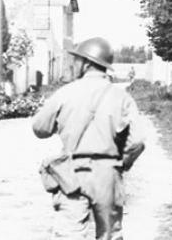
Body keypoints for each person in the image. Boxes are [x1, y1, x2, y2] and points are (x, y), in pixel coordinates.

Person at [31, 37, 146, 240]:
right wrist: (120, 164)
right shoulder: (122, 98)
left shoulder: (65, 93)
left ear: (85, 63)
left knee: (69, 234)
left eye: (77, 60)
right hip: (108, 175)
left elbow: (40, 128)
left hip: (71, 174)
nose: (74, 64)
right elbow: (137, 141)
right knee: (110, 235)